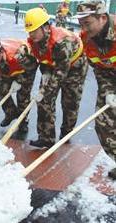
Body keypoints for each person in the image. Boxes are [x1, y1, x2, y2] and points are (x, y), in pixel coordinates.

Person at [24, 8, 88, 148]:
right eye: (30, 31)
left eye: (34, 30)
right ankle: (46, 137)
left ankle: (66, 133)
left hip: (74, 67)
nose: (31, 34)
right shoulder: (33, 41)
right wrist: (45, 75)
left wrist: (46, 90)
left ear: (46, 27)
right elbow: (43, 60)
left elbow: (61, 73)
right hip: (54, 65)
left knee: (70, 102)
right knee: (44, 101)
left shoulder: (61, 42)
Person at [74, 0, 116, 180]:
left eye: (88, 23)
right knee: (103, 122)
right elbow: (99, 68)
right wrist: (108, 92)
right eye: (81, 24)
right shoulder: (86, 39)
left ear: (102, 18)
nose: (84, 29)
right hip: (110, 79)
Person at [0, 36, 38, 132]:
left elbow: (32, 68)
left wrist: (20, 81)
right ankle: (11, 114)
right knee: (1, 92)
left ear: (0, 53)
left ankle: (23, 121)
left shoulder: (17, 55)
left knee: (22, 97)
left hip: (25, 70)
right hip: (6, 69)